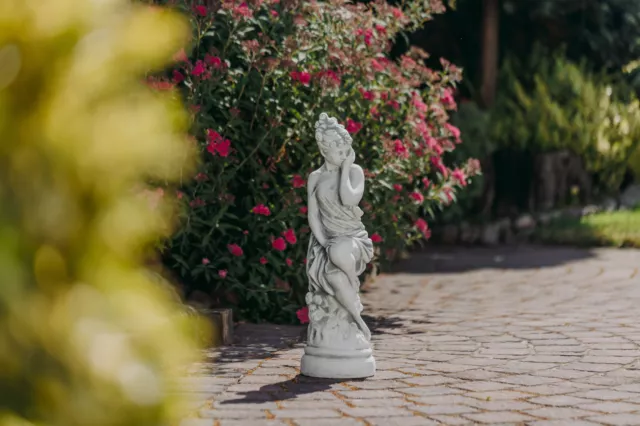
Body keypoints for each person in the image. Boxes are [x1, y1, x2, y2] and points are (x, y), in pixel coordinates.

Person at [306, 113, 374, 339]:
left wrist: (345, 168)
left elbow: (348, 200)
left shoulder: (354, 172)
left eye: (347, 150)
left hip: (352, 238)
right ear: (324, 150)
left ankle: (352, 280)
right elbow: (313, 215)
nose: (345, 155)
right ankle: (357, 321)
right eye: (339, 150)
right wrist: (323, 242)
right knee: (333, 276)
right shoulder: (315, 178)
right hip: (327, 240)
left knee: (338, 252)